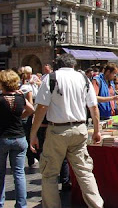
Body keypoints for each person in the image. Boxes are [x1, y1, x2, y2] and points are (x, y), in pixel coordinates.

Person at [30, 54, 104, 208]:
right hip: (79, 129)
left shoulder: (51, 78)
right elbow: (93, 107)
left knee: (50, 173)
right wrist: (97, 130)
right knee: (84, 172)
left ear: (57, 64)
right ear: (73, 65)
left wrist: (33, 133)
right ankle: (96, 205)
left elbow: (42, 108)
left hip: (57, 130)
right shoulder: (83, 79)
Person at [0, 70, 35, 208]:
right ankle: (21, 204)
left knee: (1, 173)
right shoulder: (20, 97)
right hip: (19, 138)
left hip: (2, 137)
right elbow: (31, 109)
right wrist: (21, 117)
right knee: (19, 173)